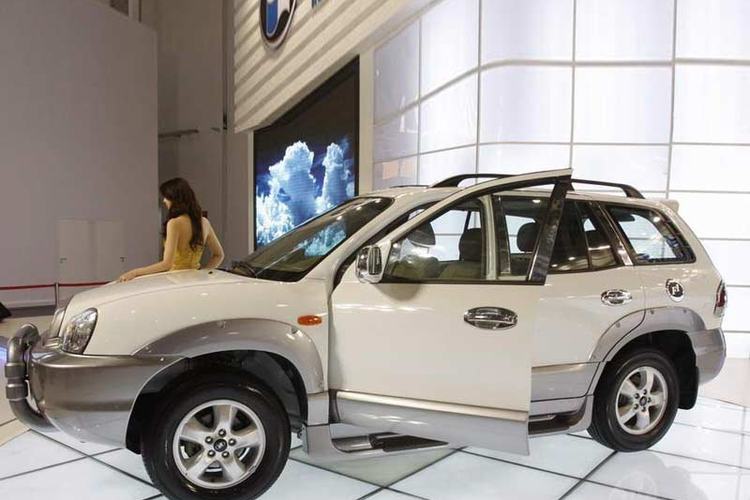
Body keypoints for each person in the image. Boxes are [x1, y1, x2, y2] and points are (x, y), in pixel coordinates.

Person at [118, 178, 224, 282]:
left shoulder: (174, 223)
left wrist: (135, 272)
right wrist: (204, 274)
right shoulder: (204, 222)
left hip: (175, 281)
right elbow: (219, 255)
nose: (164, 200)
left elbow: (167, 264)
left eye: (166, 197)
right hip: (195, 282)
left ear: (175, 199)